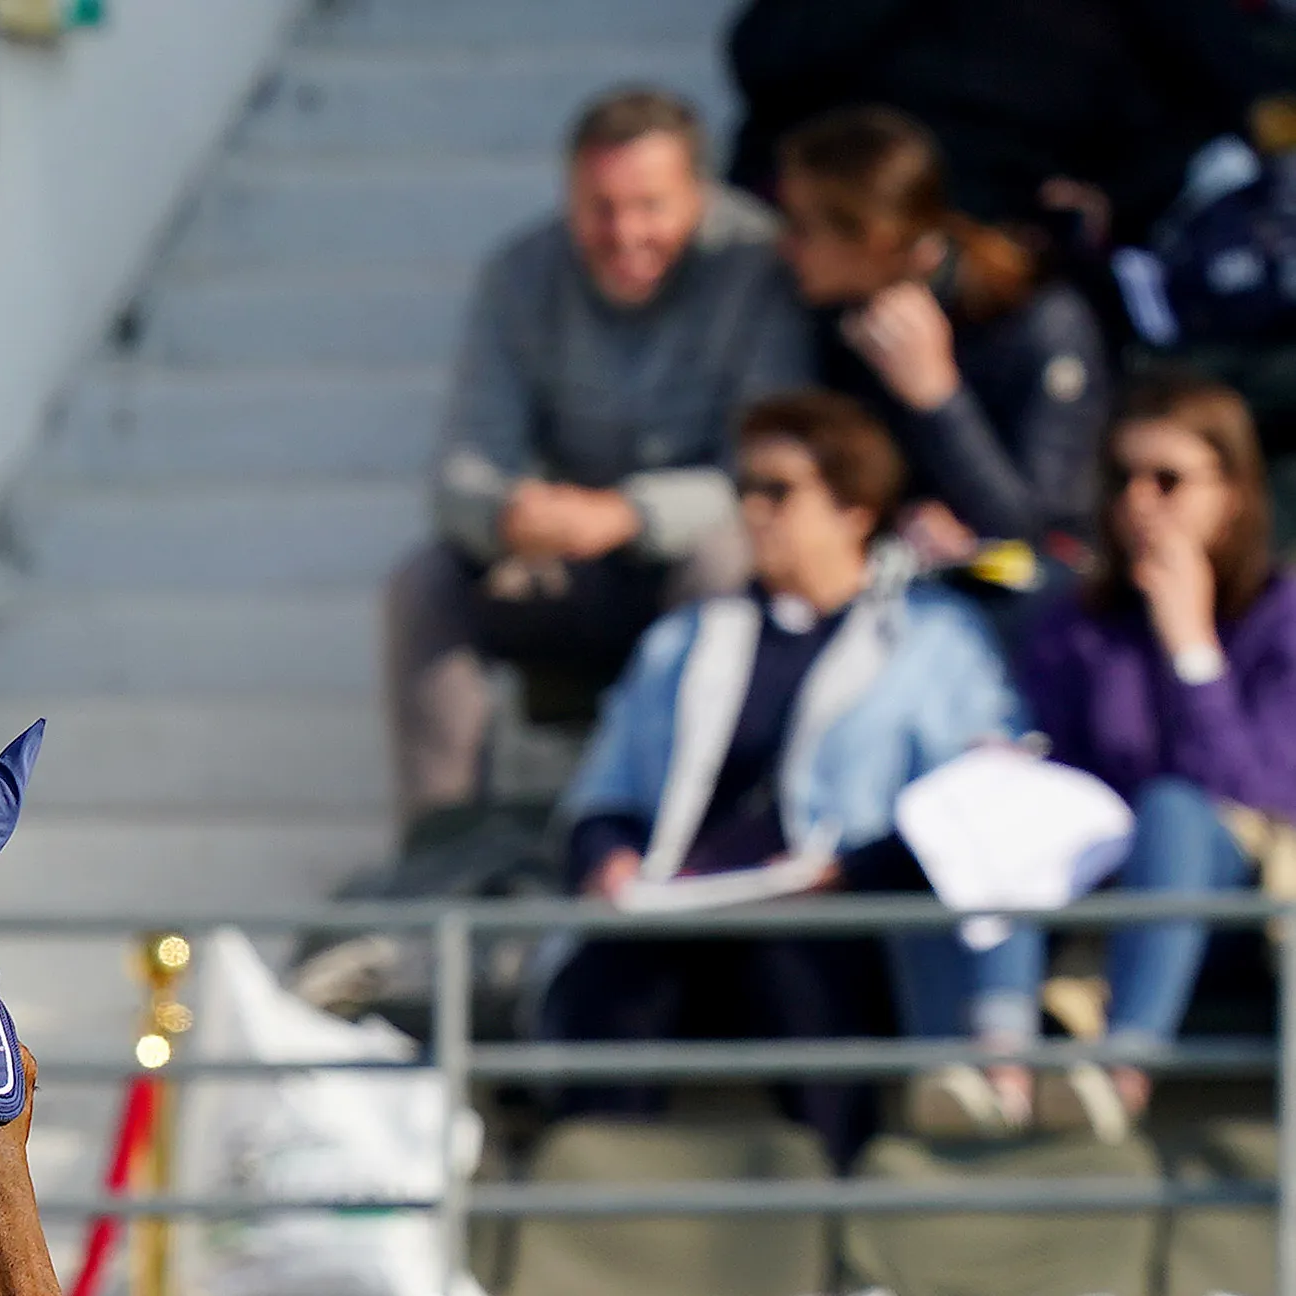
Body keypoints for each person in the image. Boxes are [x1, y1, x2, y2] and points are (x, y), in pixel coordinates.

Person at [547, 387, 1018, 1159]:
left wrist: (844, 873)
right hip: (682, 903)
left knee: (796, 958)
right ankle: (599, 1212)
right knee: (615, 968)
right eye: (745, 491)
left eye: (779, 491)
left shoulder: (934, 638)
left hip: (847, 914)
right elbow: (606, 792)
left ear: (854, 510)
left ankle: (837, 1210)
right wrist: (609, 859)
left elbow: (976, 799)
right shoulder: (686, 638)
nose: (754, 511)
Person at [388, 88, 810, 831]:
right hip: (566, 561)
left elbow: (764, 467)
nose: (624, 232)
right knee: (425, 583)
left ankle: (689, 826)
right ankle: (440, 846)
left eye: (650, 206)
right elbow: (463, 466)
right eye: (600, 207)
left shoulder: (757, 267)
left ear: (700, 195)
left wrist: (629, 514)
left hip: (694, 560)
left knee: (725, 556)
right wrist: (509, 513)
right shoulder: (520, 273)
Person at [1014, 372, 1296, 1126]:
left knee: (1174, 806)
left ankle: (1122, 1070)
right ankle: (991, 1067)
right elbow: (1064, 776)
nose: (1139, 502)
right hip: (1103, 881)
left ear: (1233, 492)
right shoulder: (1078, 625)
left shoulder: (1282, 615)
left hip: (1243, 897)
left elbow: (1257, 788)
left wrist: (1191, 647)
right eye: (1123, 479)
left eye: (1167, 480)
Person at [774, 106, 1107, 570]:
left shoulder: (1038, 318)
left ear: (875, 238)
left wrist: (937, 397)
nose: (782, 244)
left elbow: (1041, 531)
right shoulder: (831, 316)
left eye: (802, 228)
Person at [729, 0, 1287, 250]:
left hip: (1025, 253)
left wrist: (1119, 198)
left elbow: (1232, 94)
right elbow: (764, 59)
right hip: (858, 241)